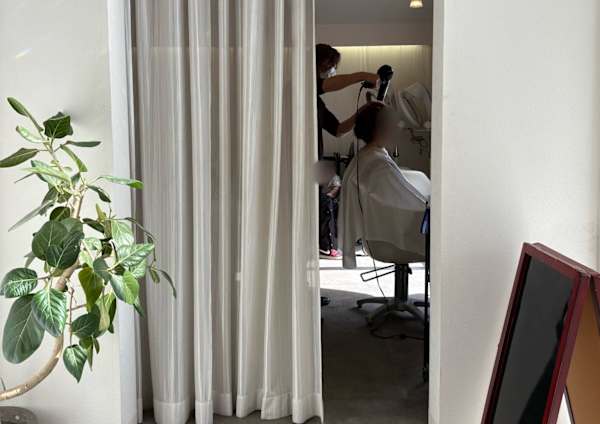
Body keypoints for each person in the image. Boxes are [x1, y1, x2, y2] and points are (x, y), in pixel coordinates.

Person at [339, 102, 431, 270]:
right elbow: (410, 202)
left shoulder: (367, 156)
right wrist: (433, 207)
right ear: (380, 129)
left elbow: (399, 193)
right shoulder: (379, 165)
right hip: (387, 242)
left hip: (374, 239)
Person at [315, 43, 378, 260]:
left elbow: (339, 129)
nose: (332, 71)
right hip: (300, 162)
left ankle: (325, 243)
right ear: (321, 63)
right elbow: (327, 84)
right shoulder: (303, 85)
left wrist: (362, 112)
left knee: (330, 190)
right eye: (330, 66)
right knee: (326, 195)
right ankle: (325, 245)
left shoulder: (317, 103)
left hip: (315, 160)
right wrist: (363, 75)